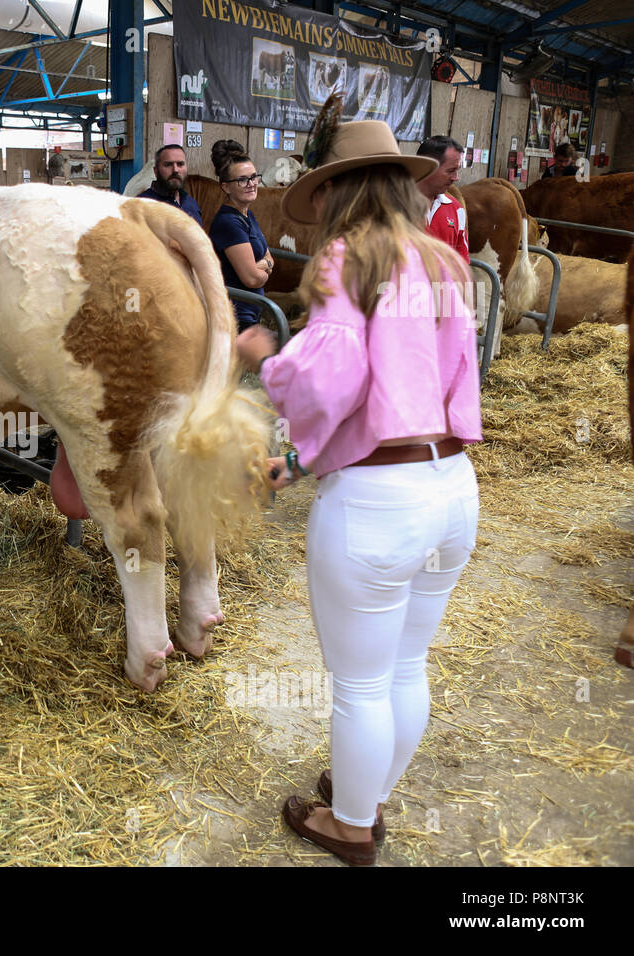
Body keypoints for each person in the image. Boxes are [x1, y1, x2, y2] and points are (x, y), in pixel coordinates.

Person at [235, 120, 483, 866]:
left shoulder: (348, 258)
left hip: (378, 506)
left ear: (339, 189)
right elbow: (420, 389)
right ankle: (365, 797)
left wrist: (267, 359)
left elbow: (330, 378)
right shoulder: (444, 264)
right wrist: (302, 462)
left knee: (359, 684)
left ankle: (348, 827)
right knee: (405, 667)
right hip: (451, 489)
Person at [207, 140, 274, 333]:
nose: (251, 184)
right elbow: (252, 279)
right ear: (226, 187)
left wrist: (263, 264)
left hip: (251, 310)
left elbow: (270, 258)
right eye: (242, 180)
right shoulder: (228, 223)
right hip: (235, 316)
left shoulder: (247, 214)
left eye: (254, 177)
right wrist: (263, 266)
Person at [415, 135, 470, 263]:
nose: (456, 177)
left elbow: (462, 263)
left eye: (457, 170)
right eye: (451, 170)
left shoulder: (457, 210)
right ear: (427, 167)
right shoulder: (395, 205)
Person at [136, 144, 205, 229]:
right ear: (156, 171)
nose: (175, 170)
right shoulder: (142, 205)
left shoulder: (190, 202)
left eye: (180, 164)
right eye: (168, 165)